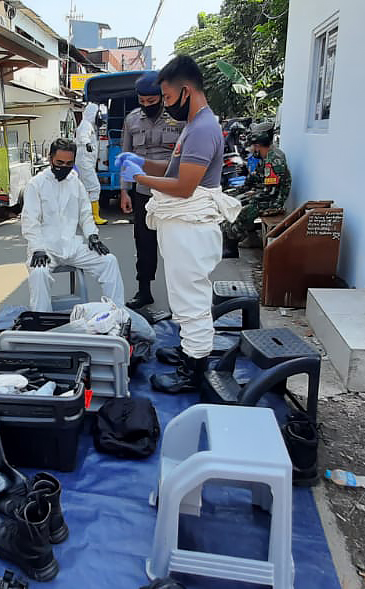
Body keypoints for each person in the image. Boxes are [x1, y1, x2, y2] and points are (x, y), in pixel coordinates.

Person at [117, 55, 242, 393]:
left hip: (190, 227)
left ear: (186, 91)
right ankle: (189, 350)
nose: (166, 104)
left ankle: (193, 370)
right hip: (182, 227)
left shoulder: (201, 129)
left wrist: (140, 177)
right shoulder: (193, 125)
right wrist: (141, 161)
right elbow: (173, 169)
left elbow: (185, 186)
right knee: (182, 294)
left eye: (168, 97)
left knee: (191, 300)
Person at [22, 138, 125, 312]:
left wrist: (92, 235)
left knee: (109, 261)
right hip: (45, 249)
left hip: (72, 246)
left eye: (69, 163)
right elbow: (30, 221)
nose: (64, 167)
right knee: (39, 273)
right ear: (50, 158)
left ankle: (117, 314)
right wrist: (37, 248)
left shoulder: (76, 183)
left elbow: (85, 214)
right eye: (59, 163)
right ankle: (41, 319)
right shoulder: (36, 184)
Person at [119, 71, 184, 310]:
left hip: (172, 192)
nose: (147, 105)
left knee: (176, 245)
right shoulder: (131, 120)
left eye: (152, 101)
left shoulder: (179, 119)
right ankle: (144, 291)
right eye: (142, 101)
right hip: (143, 193)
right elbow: (125, 157)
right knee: (144, 243)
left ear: (161, 96)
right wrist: (124, 191)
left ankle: (181, 295)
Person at [222, 125, 292, 251]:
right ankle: (250, 237)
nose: (252, 149)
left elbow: (271, 192)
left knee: (239, 209)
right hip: (265, 196)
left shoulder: (273, 160)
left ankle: (229, 243)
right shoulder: (266, 156)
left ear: (258, 145)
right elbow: (257, 176)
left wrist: (251, 195)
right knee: (231, 198)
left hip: (274, 202)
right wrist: (244, 186)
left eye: (254, 146)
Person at [75, 102, 107, 225]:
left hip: (87, 162)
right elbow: (83, 136)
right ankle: (94, 217)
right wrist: (87, 143)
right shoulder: (86, 125)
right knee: (94, 187)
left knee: (83, 190)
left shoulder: (91, 126)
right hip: (85, 162)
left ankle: (85, 216)